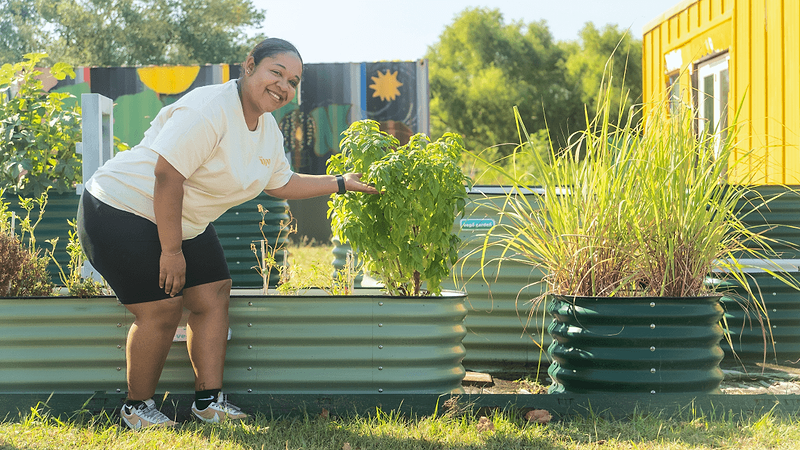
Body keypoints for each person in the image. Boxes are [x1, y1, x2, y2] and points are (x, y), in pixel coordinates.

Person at [77, 38, 377, 430]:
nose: (284, 86)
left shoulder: (267, 128)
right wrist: (171, 251)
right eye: (276, 72)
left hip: (181, 217)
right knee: (162, 308)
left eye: (293, 81)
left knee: (213, 292)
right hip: (121, 206)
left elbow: (281, 181)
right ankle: (136, 409)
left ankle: (208, 403)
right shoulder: (209, 109)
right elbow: (167, 177)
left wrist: (339, 182)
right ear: (249, 65)